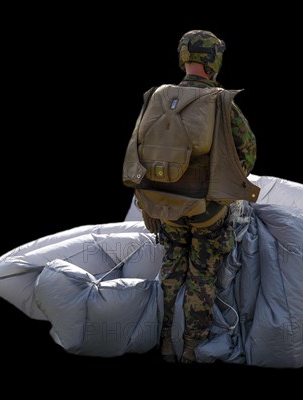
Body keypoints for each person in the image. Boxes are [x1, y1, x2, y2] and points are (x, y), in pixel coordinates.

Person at [122, 29, 259, 363]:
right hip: (206, 208)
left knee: (171, 272)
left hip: (165, 205)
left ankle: (165, 343)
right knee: (202, 278)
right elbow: (249, 151)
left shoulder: (157, 96)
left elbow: (138, 150)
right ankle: (191, 348)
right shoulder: (221, 101)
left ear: (183, 58)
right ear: (214, 60)